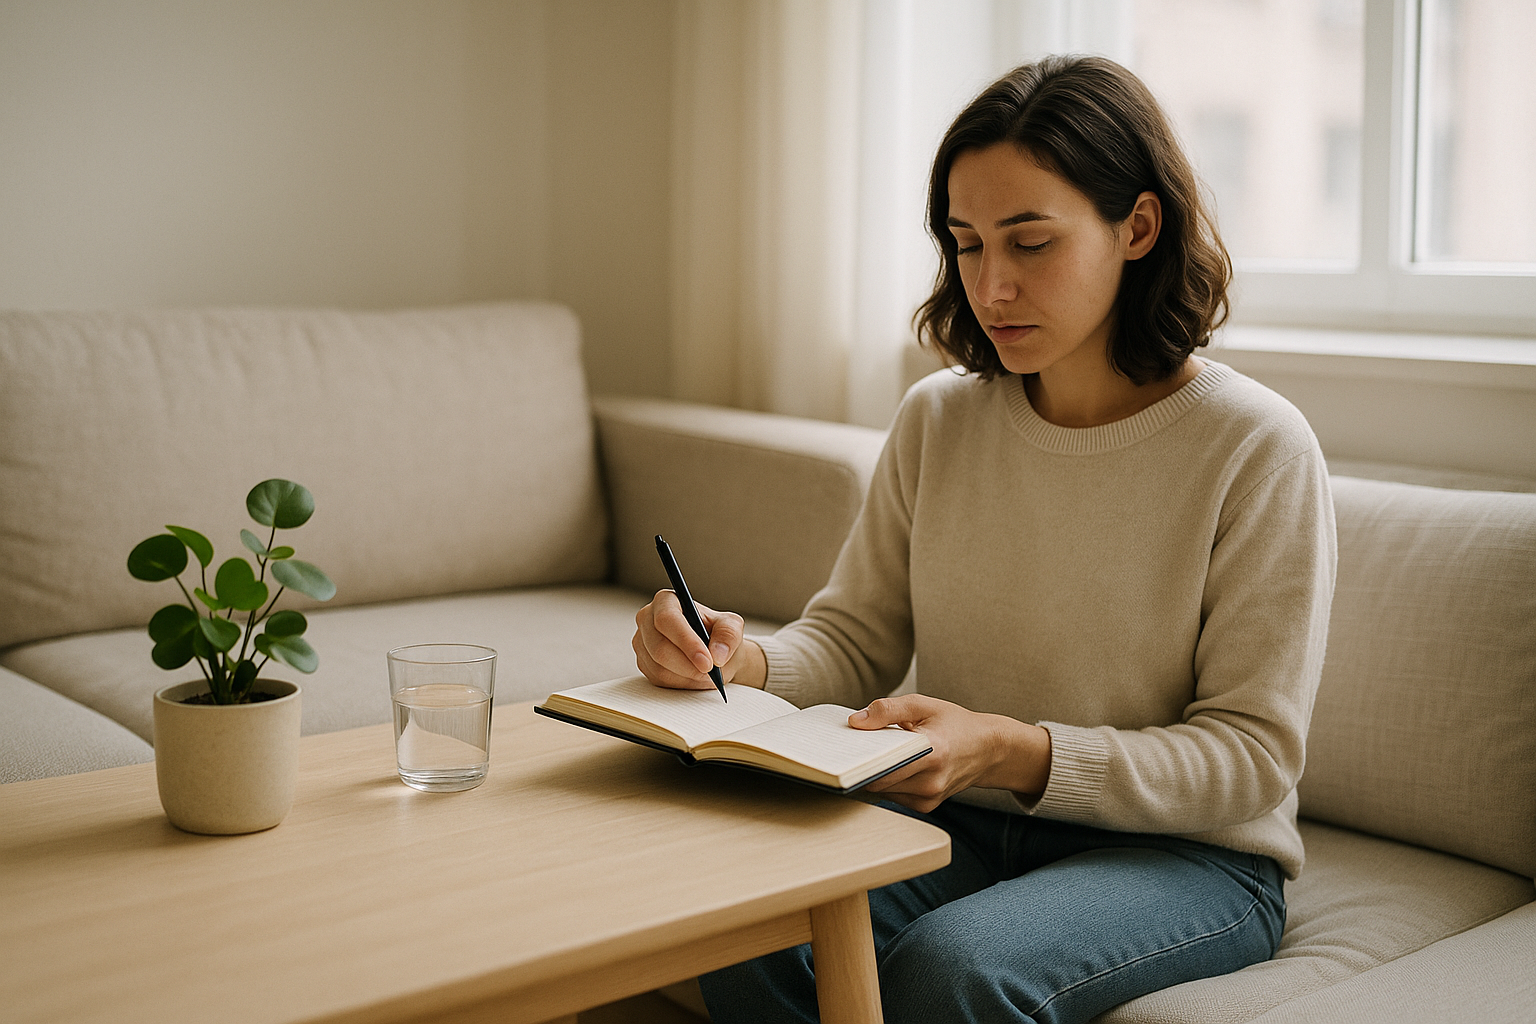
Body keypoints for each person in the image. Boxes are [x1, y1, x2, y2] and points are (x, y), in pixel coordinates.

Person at [632, 55, 1336, 1024]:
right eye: (965, 245)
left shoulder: (1256, 448)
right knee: (747, 916)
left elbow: (1252, 756)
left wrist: (1013, 750)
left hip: (1190, 856)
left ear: (1137, 226)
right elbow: (852, 640)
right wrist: (735, 656)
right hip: (959, 822)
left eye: (1030, 241)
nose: (992, 285)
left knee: (955, 966)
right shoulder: (940, 420)